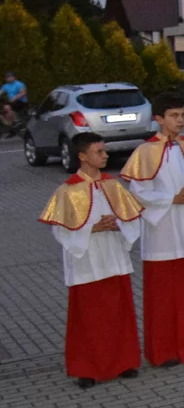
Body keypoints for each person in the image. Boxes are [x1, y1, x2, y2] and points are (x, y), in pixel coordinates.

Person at [119, 94, 184, 367]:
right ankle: (163, 350)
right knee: (163, 295)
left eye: (183, 116)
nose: (180, 121)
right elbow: (138, 191)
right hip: (161, 229)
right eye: (174, 116)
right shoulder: (144, 152)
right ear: (159, 119)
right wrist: (170, 199)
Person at [38, 133, 143, 388]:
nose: (105, 155)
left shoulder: (114, 185)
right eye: (99, 152)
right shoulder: (67, 191)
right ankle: (87, 368)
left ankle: (124, 362)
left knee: (119, 312)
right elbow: (60, 230)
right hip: (86, 260)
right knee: (88, 317)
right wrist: (91, 229)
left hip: (113, 256)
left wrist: (117, 225)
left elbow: (132, 219)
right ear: (82, 156)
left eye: (105, 151)